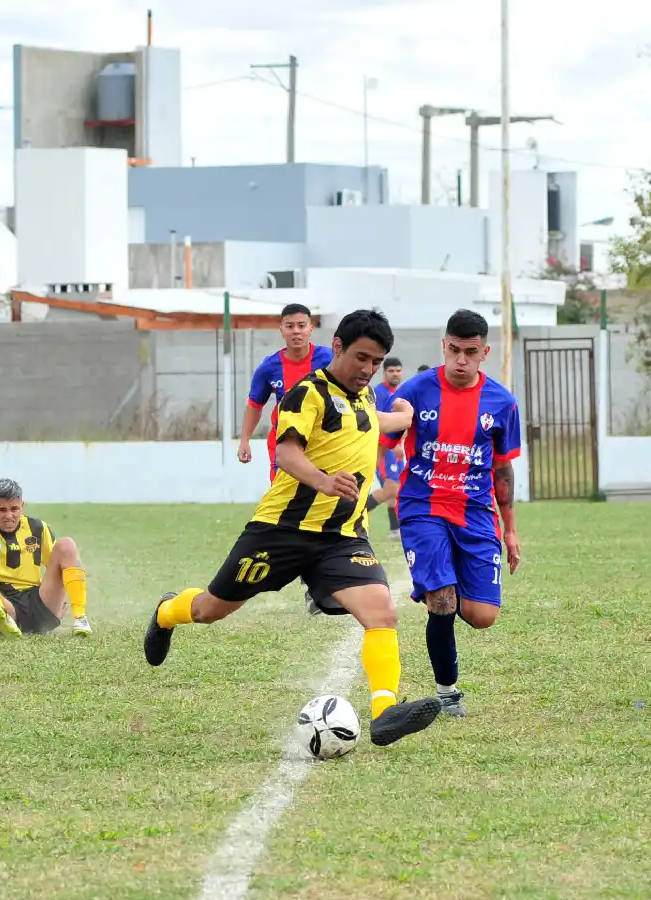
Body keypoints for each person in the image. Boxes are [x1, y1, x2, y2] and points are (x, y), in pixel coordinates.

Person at [144, 308, 443, 747]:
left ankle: (384, 713)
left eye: (376, 362)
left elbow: (371, 423)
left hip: (341, 537)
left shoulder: (364, 398)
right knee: (211, 609)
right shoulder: (307, 394)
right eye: (361, 358)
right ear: (337, 346)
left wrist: (404, 414)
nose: (368, 370)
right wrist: (324, 481)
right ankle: (167, 612)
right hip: (281, 531)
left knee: (382, 612)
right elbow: (286, 453)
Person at [376, 309, 523, 717]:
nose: (461, 360)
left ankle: (446, 582)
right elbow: (381, 442)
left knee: (481, 615)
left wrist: (510, 530)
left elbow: (503, 470)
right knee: (442, 601)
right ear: (444, 346)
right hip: (423, 507)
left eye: (470, 352)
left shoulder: (502, 402)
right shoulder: (416, 390)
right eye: (454, 350)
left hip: (475, 513)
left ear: (484, 353)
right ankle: (447, 692)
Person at [0, 478, 92, 637]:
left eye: (14, 509)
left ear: (23, 506)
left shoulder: (37, 528)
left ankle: (80, 618)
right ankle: (4, 622)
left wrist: (59, 600)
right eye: (2, 510)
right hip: (1, 601)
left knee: (67, 545)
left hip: (38, 603)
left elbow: (60, 566)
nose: (9, 515)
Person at [238, 303, 334, 480]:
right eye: (290, 326)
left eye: (301, 325)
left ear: (310, 329)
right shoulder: (269, 367)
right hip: (283, 443)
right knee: (283, 501)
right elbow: (255, 405)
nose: (296, 331)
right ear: (282, 330)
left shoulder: (330, 359)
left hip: (322, 442)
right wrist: (245, 440)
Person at [370, 357, 407, 540]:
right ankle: (358, 511)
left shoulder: (399, 393)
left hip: (395, 449)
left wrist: (400, 444)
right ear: (384, 372)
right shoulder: (379, 393)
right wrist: (392, 448)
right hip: (384, 450)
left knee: (394, 490)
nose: (395, 374)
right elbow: (377, 424)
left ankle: (395, 531)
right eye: (391, 371)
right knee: (391, 488)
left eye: (398, 370)